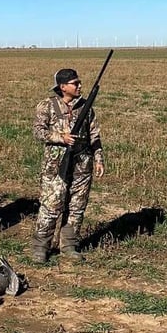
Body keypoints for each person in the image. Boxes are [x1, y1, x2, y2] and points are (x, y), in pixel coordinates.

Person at [32, 68, 105, 262]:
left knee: (77, 206)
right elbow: (38, 132)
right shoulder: (47, 106)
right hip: (56, 165)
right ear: (63, 87)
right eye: (75, 83)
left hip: (82, 165)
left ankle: (69, 245)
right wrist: (60, 138)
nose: (80, 86)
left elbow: (94, 135)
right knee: (51, 205)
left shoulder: (86, 107)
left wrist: (98, 159)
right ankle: (41, 247)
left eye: (79, 82)